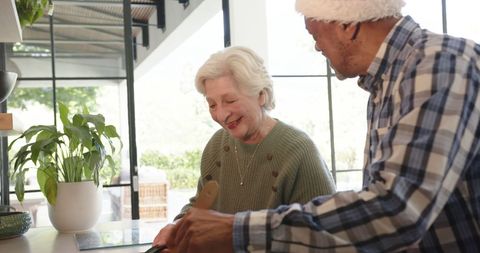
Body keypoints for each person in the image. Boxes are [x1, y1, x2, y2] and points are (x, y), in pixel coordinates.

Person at [164, 0, 480, 252]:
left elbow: (397, 210)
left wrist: (237, 231)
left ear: (347, 25)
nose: (317, 47)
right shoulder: (389, 82)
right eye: (212, 103)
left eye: (315, 34)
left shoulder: (438, 63)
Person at [152, 46, 336, 249]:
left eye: (230, 100)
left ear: (261, 95)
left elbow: (325, 232)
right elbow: (202, 204)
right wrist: (178, 226)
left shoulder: (299, 150)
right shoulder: (216, 146)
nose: (221, 115)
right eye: (212, 105)